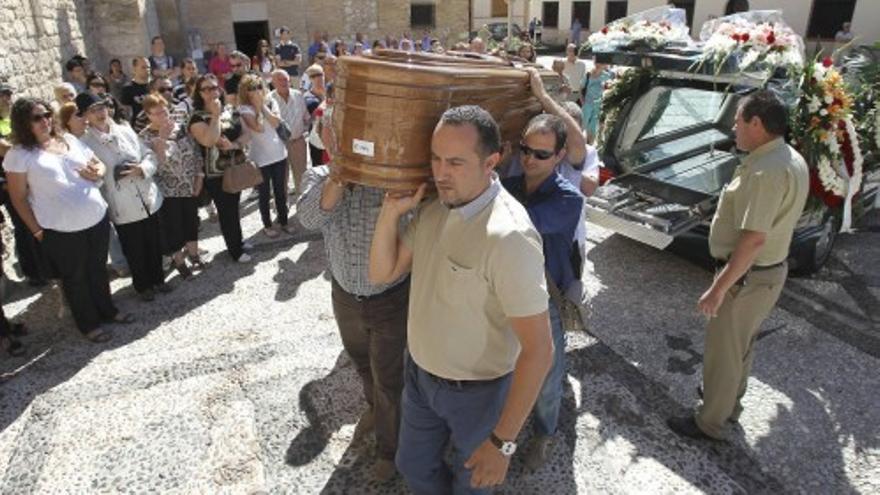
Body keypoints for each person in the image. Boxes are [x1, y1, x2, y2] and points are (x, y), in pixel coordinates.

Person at [369, 105, 554, 494]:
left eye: (455, 161)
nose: (440, 172)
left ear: (492, 161)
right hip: (420, 378)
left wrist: (503, 443)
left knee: (474, 486)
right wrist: (390, 214)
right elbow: (381, 274)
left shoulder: (510, 238)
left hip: (478, 393)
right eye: (435, 158)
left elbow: (539, 351)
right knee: (413, 467)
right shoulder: (436, 209)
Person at [666, 90, 810, 441]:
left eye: (737, 120)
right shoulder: (787, 157)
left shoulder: (766, 171)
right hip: (766, 275)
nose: (733, 128)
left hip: (747, 278)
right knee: (740, 348)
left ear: (756, 123)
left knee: (723, 353)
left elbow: (753, 239)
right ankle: (730, 405)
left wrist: (719, 288)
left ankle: (709, 421)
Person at [295, 159, 410, 483]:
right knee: (361, 363)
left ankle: (390, 450)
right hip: (345, 295)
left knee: (389, 378)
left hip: (390, 297)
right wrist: (339, 178)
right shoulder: (319, 176)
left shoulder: (394, 174)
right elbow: (309, 218)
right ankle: (374, 409)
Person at [5, 97, 134, 343]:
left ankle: (108, 310)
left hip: (95, 218)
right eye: (36, 118)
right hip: (59, 228)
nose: (44, 121)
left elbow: (97, 163)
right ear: (23, 123)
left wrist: (98, 171)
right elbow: (18, 198)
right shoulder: (19, 155)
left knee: (97, 270)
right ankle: (89, 325)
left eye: (46, 115)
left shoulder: (68, 139)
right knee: (75, 278)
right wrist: (36, 231)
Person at [500, 112, 584, 471]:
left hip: (545, 302)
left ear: (560, 156)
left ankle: (544, 434)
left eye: (541, 154)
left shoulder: (568, 199)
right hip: (507, 294)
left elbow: (517, 225)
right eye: (524, 150)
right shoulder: (512, 185)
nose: (529, 159)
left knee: (547, 379)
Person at [78, 92, 171, 302]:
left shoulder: (125, 130)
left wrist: (143, 168)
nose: (100, 113)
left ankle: (158, 279)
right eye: (93, 110)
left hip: (146, 195)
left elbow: (148, 154)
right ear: (85, 116)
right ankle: (143, 285)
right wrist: (109, 176)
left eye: (101, 107)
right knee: (134, 247)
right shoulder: (85, 144)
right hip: (122, 202)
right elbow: (92, 178)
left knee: (154, 242)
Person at [140, 94, 205, 278]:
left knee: (191, 221)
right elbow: (155, 165)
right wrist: (161, 138)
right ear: (148, 115)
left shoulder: (181, 128)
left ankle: (194, 255)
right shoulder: (144, 137)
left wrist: (199, 177)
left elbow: (196, 152)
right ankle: (179, 261)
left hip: (189, 184)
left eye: (165, 110)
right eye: (157, 113)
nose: (163, 116)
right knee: (173, 227)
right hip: (167, 190)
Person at [188, 74, 252, 263]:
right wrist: (215, 115)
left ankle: (238, 241)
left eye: (214, 87)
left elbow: (247, 134)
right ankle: (235, 251)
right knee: (226, 212)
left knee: (235, 208)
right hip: (215, 173)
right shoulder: (197, 118)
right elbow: (208, 140)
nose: (211, 92)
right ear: (199, 93)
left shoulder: (230, 110)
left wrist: (234, 145)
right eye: (205, 89)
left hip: (235, 168)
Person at [238, 74, 290, 237]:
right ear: (246, 92)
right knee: (264, 193)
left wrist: (262, 106)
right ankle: (267, 225)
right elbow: (258, 128)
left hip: (279, 153)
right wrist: (258, 106)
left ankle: (284, 221)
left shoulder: (271, 102)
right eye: (253, 88)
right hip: (260, 159)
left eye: (260, 86)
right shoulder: (244, 109)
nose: (258, 91)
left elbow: (276, 122)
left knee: (280, 191)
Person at [269, 70, 309, 198]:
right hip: (279, 145)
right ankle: (281, 208)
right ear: (273, 82)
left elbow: (305, 116)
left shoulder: (298, 95)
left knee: (301, 176)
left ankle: (302, 206)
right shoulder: (268, 99)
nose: (284, 82)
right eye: (280, 80)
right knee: (281, 177)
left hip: (298, 142)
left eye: (286, 79)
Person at [581, 60, 612, 144]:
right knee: (582, 126)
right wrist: (582, 101)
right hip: (587, 104)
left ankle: (590, 146)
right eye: (597, 62)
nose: (599, 64)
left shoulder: (607, 76)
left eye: (601, 63)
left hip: (598, 105)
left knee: (593, 128)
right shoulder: (588, 74)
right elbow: (581, 87)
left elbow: (609, 90)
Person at [121, 57, 152, 126]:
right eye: (143, 67)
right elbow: (126, 111)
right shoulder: (128, 88)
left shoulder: (156, 85)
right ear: (134, 69)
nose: (147, 70)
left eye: (148, 67)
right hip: (137, 126)